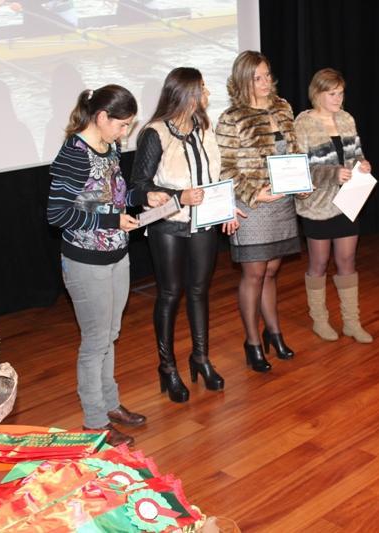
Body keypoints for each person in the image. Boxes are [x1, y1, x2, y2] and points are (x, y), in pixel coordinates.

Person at [47, 85, 170, 447]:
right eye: (122, 125)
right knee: (95, 341)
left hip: (117, 255)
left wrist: (142, 196)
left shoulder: (109, 146)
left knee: (109, 334)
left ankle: (110, 404)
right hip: (85, 262)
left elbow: (115, 196)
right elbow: (57, 214)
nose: (125, 132)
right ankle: (94, 422)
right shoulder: (74, 154)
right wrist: (111, 220)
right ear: (101, 117)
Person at [132, 67, 240, 403]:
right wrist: (179, 197)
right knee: (169, 293)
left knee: (199, 290)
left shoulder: (204, 126)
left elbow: (215, 174)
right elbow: (139, 188)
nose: (207, 93)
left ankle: (201, 358)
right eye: (202, 88)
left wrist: (227, 206)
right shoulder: (154, 133)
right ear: (186, 93)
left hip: (204, 222)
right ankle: (167, 366)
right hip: (167, 223)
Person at [215, 51, 301, 372]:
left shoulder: (283, 107)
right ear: (242, 81)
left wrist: (301, 181)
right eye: (257, 78)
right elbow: (224, 167)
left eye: (267, 75)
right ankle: (252, 342)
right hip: (250, 206)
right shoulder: (231, 117)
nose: (266, 82)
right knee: (254, 273)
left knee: (272, 271)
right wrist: (253, 193)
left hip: (281, 203)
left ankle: (274, 333)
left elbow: (294, 152)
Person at [294, 68, 373, 343]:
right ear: (317, 94)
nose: (338, 98)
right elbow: (297, 169)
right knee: (318, 263)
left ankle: (352, 322)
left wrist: (362, 164)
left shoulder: (347, 119)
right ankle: (319, 320)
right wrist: (332, 174)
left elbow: (356, 154)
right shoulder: (303, 123)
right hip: (317, 205)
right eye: (332, 94)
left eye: (341, 93)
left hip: (348, 200)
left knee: (347, 260)